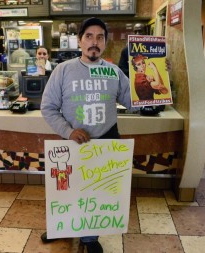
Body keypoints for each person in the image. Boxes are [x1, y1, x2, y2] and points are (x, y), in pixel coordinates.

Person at [40, 17, 137, 253]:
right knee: (67, 191)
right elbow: (48, 108)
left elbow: (134, 103)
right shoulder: (63, 70)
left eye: (100, 37)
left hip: (107, 142)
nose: (94, 42)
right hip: (72, 145)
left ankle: (90, 237)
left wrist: (158, 80)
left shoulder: (114, 72)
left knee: (99, 193)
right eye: (89, 36)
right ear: (79, 41)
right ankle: (63, 226)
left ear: (105, 43)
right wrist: (68, 131)